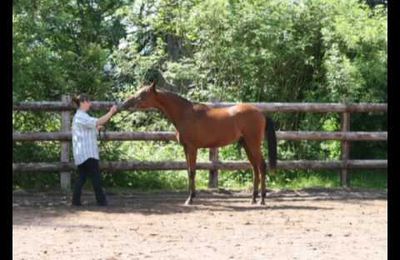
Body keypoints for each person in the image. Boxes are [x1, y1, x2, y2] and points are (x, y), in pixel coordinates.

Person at [71, 94, 118, 206]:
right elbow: (98, 121)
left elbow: (90, 128)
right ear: (82, 102)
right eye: (88, 101)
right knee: (95, 178)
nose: (90, 104)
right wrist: (111, 112)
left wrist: (97, 128)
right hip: (88, 153)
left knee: (82, 177)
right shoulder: (81, 116)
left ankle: (76, 201)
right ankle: (101, 201)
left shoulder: (81, 116)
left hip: (83, 153)